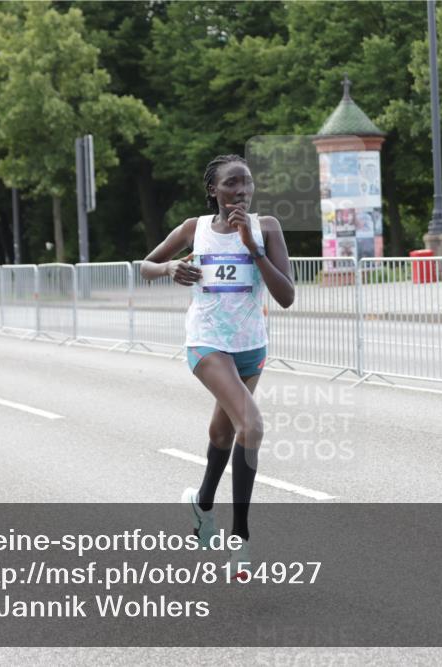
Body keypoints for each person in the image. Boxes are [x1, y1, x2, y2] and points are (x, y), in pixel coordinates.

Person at [140, 154, 294, 578]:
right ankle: (240, 541)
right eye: (231, 184)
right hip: (207, 342)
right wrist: (170, 266)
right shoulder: (196, 229)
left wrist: (254, 250)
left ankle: (202, 503)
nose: (241, 191)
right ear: (214, 190)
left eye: (246, 183)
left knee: (223, 431)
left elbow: (286, 295)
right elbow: (145, 266)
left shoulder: (267, 229)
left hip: (250, 346)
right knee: (252, 426)